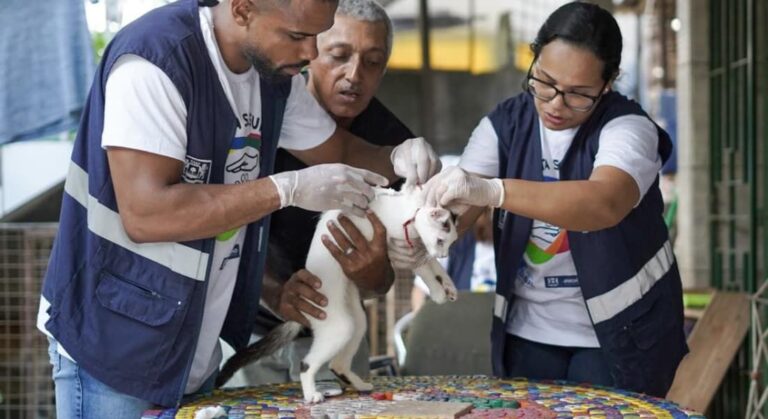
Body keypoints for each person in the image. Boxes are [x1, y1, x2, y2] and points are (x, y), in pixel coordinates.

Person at [36, 0, 439, 416]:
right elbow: (146, 214)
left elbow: (336, 149)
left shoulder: (270, 74)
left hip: (192, 342)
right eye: (298, 36)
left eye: (317, 35)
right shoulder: (156, 60)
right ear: (243, 8)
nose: (311, 54)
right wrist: (287, 188)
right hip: (114, 343)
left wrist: (396, 157)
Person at [423, 2, 687, 397]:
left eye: (579, 93)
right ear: (534, 58)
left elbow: (604, 203)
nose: (555, 104)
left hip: (622, 334)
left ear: (608, 82)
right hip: (528, 332)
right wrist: (428, 223)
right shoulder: (505, 124)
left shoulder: (628, 127)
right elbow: (459, 207)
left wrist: (497, 191)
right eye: (544, 82)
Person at [228, 0, 418, 386]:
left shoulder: (393, 148)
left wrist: (373, 273)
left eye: (372, 61)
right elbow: (226, 223)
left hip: (339, 335)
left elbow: (383, 281)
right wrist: (276, 291)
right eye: (339, 55)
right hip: (249, 329)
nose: (353, 75)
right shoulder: (263, 115)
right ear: (311, 52)